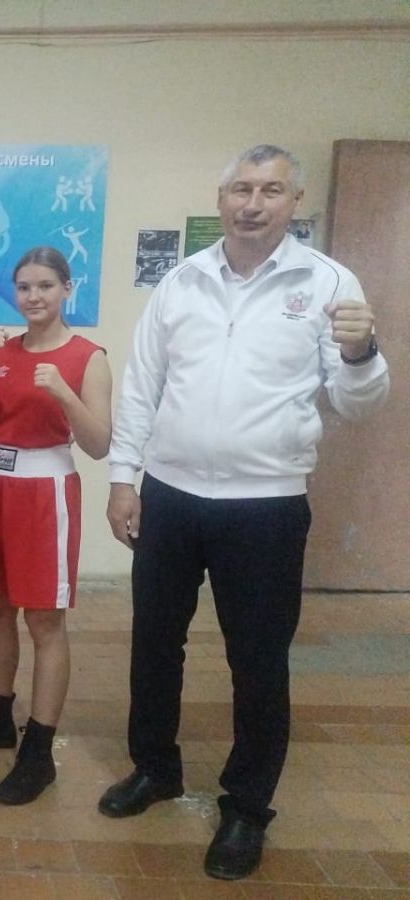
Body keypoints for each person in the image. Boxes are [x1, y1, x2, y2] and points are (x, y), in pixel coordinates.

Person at [99, 145, 389, 881]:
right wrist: (124, 479)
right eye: (240, 189)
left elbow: (356, 405)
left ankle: (247, 806)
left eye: (270, 190)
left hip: (266, 505)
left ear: (294, 203)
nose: (252, 204)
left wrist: (363, 354)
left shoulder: (327, 283)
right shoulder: (182, 281)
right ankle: (155, 767)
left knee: (257, 660)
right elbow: (141, 386)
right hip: (169, 495)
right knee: (154, 643)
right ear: (221, 197)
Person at [0, 246, 111, 806]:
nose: (33, 296)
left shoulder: (87, 356)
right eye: (24, 287)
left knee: (44, 620)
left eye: (45, 286)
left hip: (46, 492)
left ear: (66, 289)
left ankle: (38, 751)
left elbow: (98, 443)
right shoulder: (2, 352)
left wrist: (63, 392)